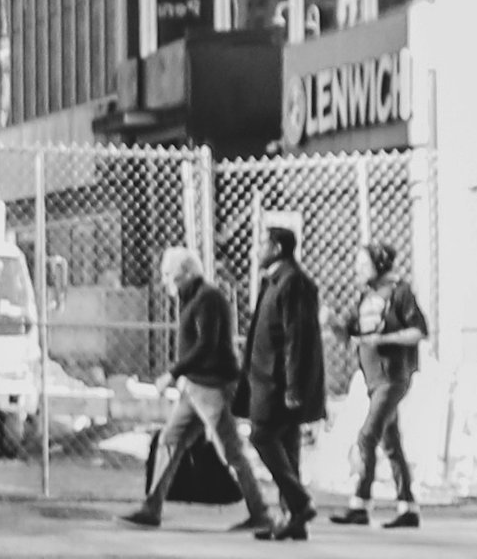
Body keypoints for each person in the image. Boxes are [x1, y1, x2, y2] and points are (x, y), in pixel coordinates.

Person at [125, 242, 277, 534]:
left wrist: (173, 372)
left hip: (213, 386)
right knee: (170, 441)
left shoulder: (208, 299)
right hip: (196, 386)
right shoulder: (193, 297)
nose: (165, 281)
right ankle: (152, 507)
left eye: (169, 274)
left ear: (185, 274)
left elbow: (207, 344)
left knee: (230, 450)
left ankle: (260, 512)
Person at [242, 215, 326, 539]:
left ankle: (300, 502)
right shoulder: (276, 280)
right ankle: (293, 520)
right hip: (267, 378)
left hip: (277, 382)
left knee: (262, 436)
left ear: (276, 248)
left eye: (260, 244)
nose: (255, 251)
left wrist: (293, 385)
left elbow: (296, 337)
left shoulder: (293, 282)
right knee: (288, 448)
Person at [334, 238, 426, 528]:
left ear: (379, 264)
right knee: (391, 443)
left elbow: (418, 331)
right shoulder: (366, 296)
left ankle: (360, 503)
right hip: (373, 378)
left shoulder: (399, 292)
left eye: (363, 264)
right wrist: (331, 323)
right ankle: (407, 505)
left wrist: (382, 340)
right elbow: (348, 333)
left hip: (393, 375)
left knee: (367, 436)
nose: (357, 270)